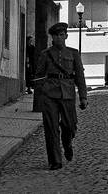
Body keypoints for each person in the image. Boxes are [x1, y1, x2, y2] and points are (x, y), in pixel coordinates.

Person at [36, 22, 88, 170]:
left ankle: (67, 144)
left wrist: (83, 97)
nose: (58, 38)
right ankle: (55, 160)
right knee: (51, 128)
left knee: (69, 125)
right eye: (56, 35)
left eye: (61, 35)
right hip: (49, 94)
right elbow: (39, 75)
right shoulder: (45, 54)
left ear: (66, 36)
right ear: (52, 37)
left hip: (68, 93)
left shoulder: (73, 53)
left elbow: (80, 76)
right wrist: (42, 91)